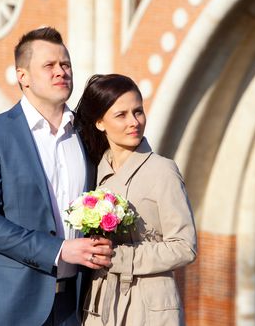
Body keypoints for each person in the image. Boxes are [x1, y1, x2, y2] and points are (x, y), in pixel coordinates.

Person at [0, 27, 113, 326]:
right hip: (12, 306)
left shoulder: (88, 134)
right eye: (49, 66)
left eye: (66, 65)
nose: (61, 72)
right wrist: (59, 250)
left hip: (77, 304)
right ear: (23, 76)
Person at [75, 74, 197, 325]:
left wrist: (119, 257)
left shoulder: (163, 170)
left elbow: (185, 247)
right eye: (121, 115)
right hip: (100, 306)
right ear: (100, 122)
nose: (134, 122)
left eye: (138, 112)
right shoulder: (93, 172)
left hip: (150, 307)